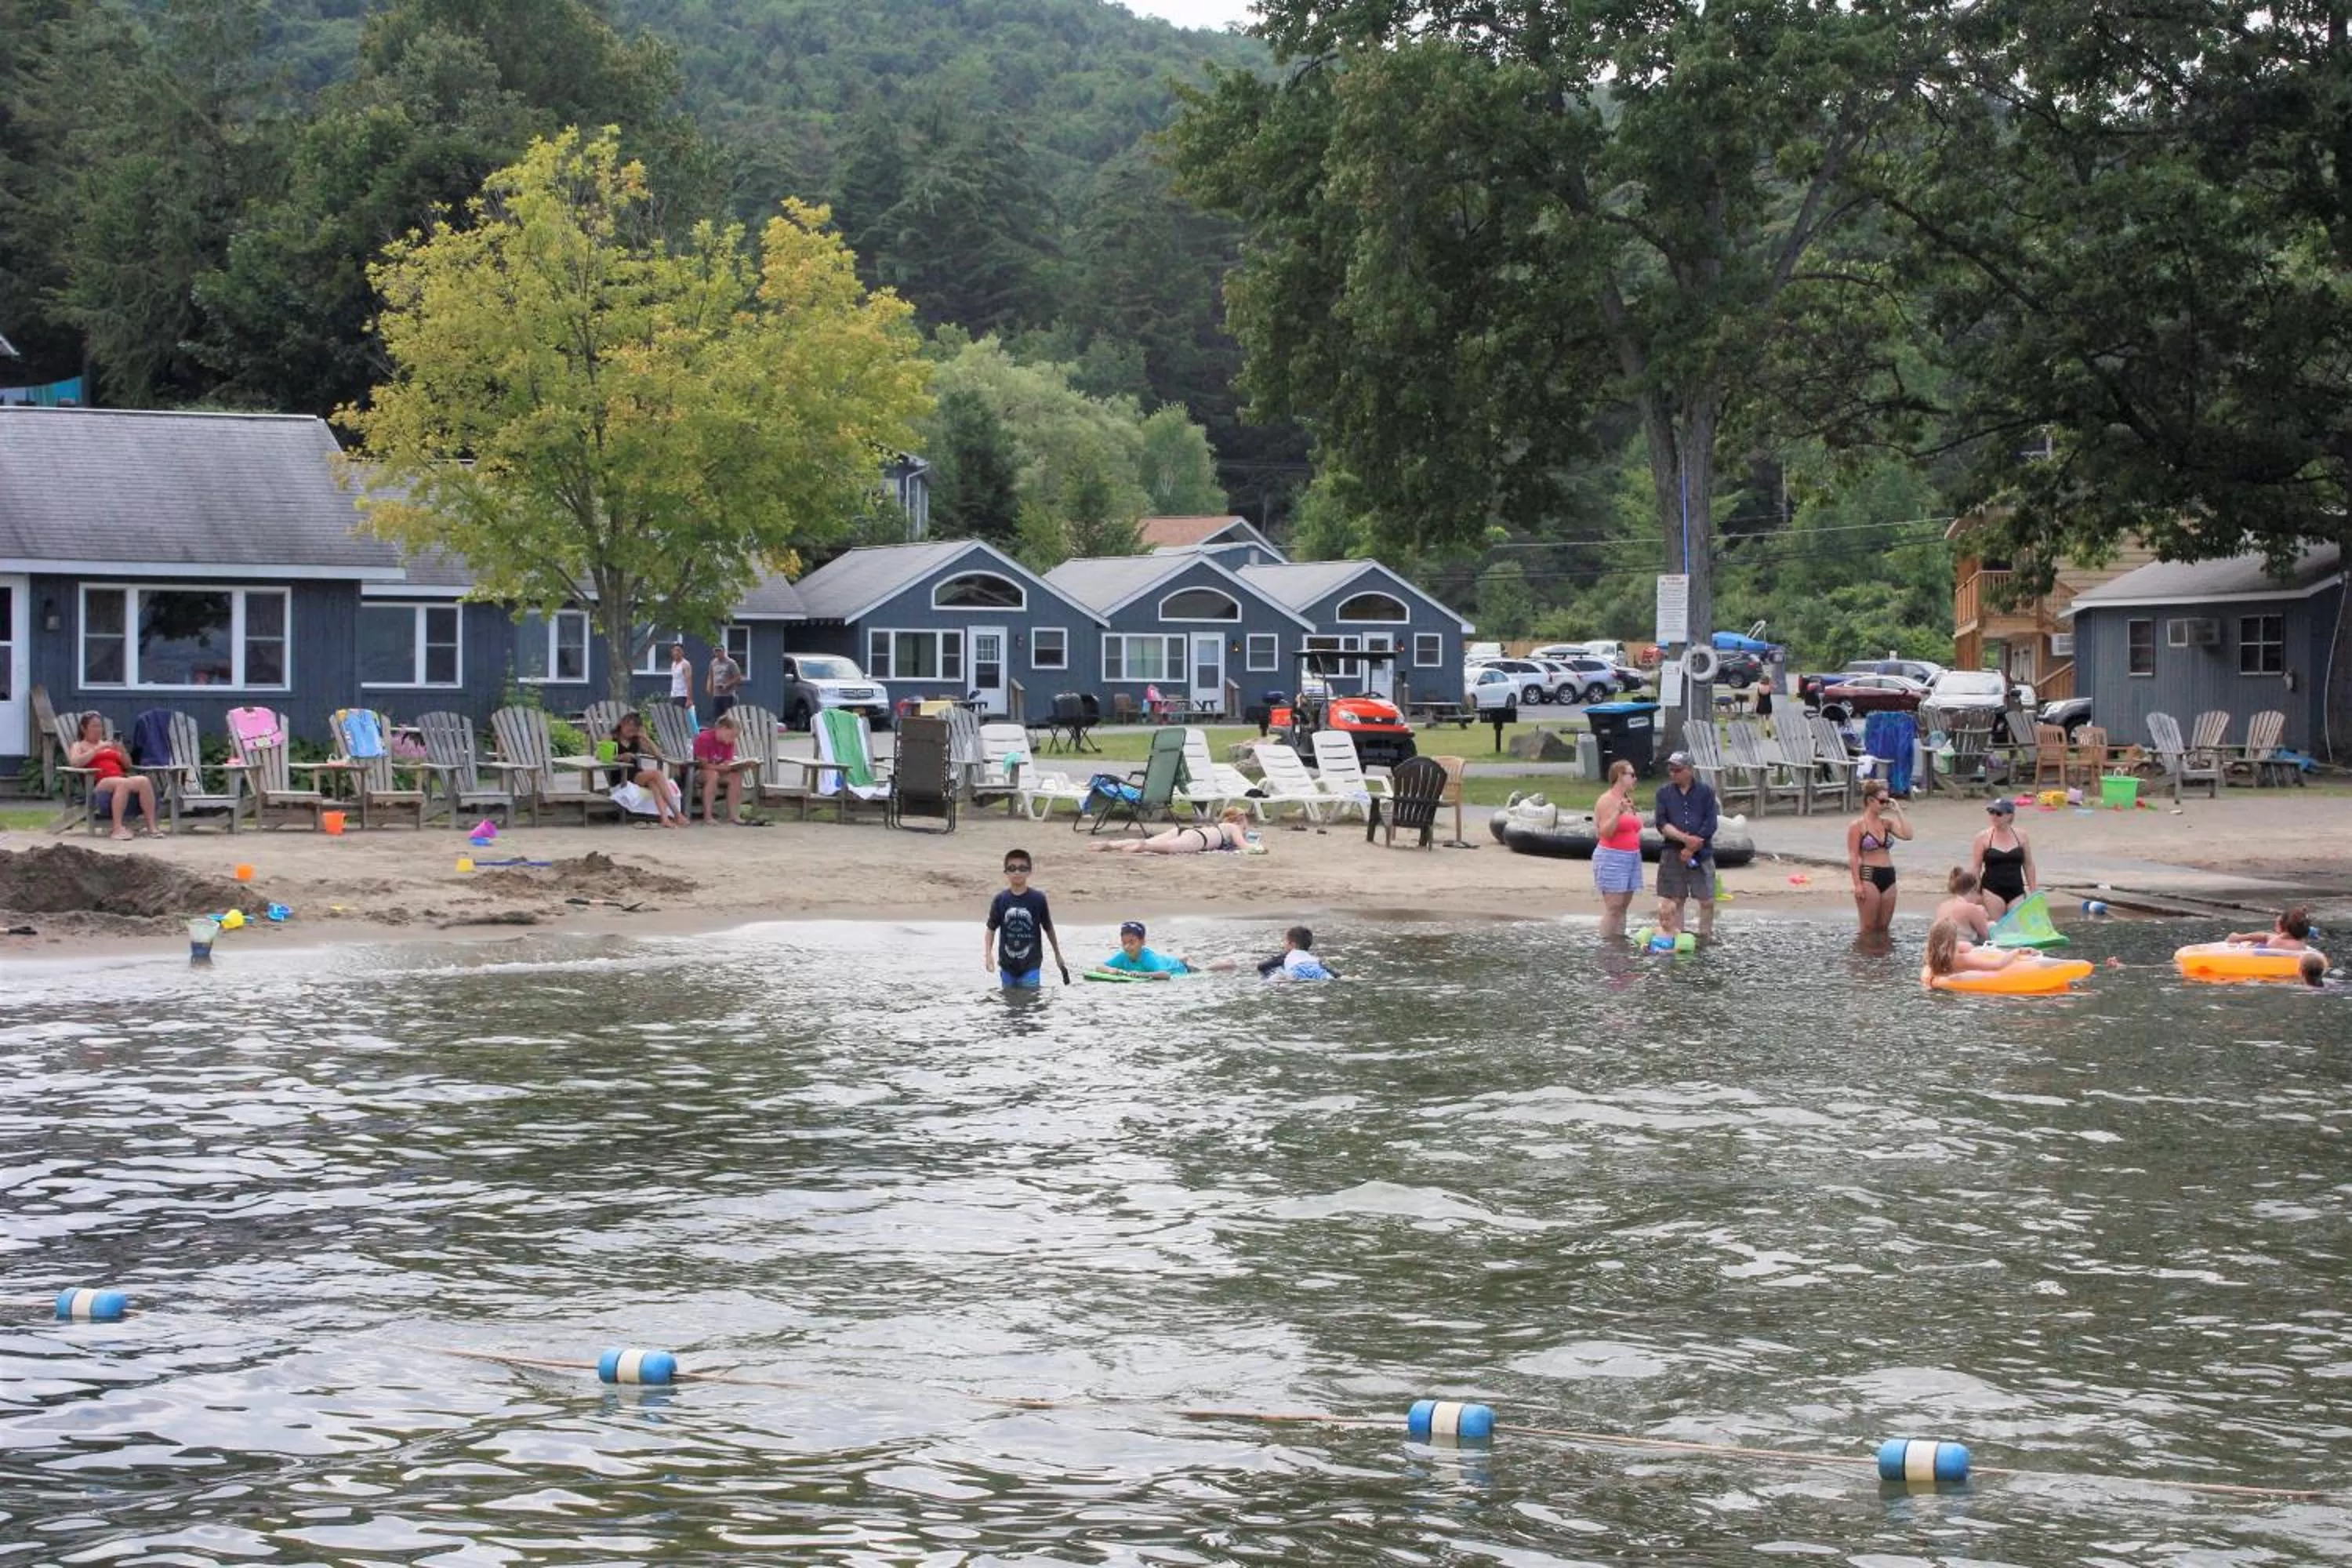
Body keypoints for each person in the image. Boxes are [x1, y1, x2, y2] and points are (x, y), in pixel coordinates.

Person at [1653, 750, 1719, 939]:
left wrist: (1693, 846)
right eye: (1671, 770)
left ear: (1689, 770)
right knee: (1676, 898)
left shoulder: (1706, 792)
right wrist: (1685, 839)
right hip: (1672, 849)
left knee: (1707, 899)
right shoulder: (1664, 793)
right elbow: (1662, 823)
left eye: (1677, 770)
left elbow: (1711, 822)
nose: (1673, 773)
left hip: (1701, 851)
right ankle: (1677, 936)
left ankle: (1705, 936)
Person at [985, 848, 1069, 989]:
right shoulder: (1000, 900)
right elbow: (991, 929)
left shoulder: (1038, 899)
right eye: (1012, 868)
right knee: (1009, 1002)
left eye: (1022, 868)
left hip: (1031, 964)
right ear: (1006, 872)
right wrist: (988, 955)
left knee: (1030, 1001)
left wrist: (1057, 954)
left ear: (1029, 871)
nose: (1017, 872)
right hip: (1007, 965)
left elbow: (1048, 927)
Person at [67, 715, 159, 840]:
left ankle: (152, 827)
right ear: (84, 729)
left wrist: (122, 751)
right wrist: (96, 749)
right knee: (123, 783)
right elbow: (75, 762)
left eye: (100, 726)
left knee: (144, 781)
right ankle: (117, 829)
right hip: (100, 782)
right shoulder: (79, 745)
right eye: (94, 726)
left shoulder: (108, 745)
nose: (98, 729)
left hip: (120, 778)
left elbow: (128, 765)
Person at [1848, 779, 1910, 935]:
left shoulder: (1886, 824)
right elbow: (1854, 856)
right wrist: (1857, 884)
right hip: (1869, 875)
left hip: (1889, 875)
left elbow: (1908, 835)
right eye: (1882, 801)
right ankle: (1864, 958)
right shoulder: (1857, 826)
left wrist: (1898, 811)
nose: (1885, 805)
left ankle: (1883, 958)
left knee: (1883, 928)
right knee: (1868, 928)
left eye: (1887, 801)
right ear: (1870, 801)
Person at [1592, 758, 1644, 940]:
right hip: (1612, 857)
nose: (1635, 779)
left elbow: (1634, 827)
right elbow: (1605, 832)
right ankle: (1606, 945)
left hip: (1631, 857)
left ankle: (1619, 942)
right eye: (1632, 775)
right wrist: (1618, 813)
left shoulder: (1628, 800)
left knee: (1623, 906)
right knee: (1614, 907)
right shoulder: (1607, 800)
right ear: (1620, 776)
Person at [608, 711, 686, 827]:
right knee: (657, 774)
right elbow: (599, 756)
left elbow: (659, 756)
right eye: (629, 728)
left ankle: (665, 819)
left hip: (636, 775)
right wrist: (619, 757)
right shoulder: (611, 737)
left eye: (634, 730)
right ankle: (677, 814)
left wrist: (646, 738)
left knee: (654, 782)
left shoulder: (636, 741)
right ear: (621, 724)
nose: (631, 732)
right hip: (620, 776)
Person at [1967, 798, 2038, 918]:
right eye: (1991, 812)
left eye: (1999, 813)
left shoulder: (2021, 836)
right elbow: (1976, 867)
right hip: (1992, 890)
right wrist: (1976, 893)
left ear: (2010, 815)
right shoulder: (1982, 838)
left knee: (2016, 929)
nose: (1994, 816)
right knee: (1996, 928)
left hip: (2016, 889)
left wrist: (2033, 890)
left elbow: (2028, 864)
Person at [1089, 806, 1253, 854]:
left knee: (1150, 840)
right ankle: (1143, 848)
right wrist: (1257, 848)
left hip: (1185, 830)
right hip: (1199, 840)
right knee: (1167, 848)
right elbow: (1244, 846)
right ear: (1241, 821)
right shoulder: (1233, 828)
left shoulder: (1222, 826)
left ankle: (1111, 845)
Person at [1921, 916, 2024, 987]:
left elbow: (1967, 946)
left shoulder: (1931, 958)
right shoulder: (1961, 959)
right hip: (1966, 984)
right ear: (1952, 940)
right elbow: (1997, 966)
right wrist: (2017, 951)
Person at [691, 713, 755, 825]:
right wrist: (722, 768)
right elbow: (703, 764)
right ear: (722, 729)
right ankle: (708, 816)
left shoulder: (728, 743)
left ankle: (734, 815)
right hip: (698, 772)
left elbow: (727, 761)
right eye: (731, 736)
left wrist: (737, 766)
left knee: (735, 776)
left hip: (719, 770)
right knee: (713, 775)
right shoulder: (704, 738)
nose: (732, 740)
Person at [1099, 920, 1194, 977]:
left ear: (1142, 942)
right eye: (1124, 943)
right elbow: (1100, 967)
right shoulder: (1123, 956)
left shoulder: (1148, 958)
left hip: (1177, 968)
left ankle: (1184, 961)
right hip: (1162, 961)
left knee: (1202, 971)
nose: (1127, 947)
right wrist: (1110, 970)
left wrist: (1142, 975)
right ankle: (1182, 959)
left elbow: (1166, 974)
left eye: (1132, 942)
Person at [1256, 924, 1336, 980]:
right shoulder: (1312, 958)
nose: (1284, 944)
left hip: (1297, 972)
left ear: (1292, 944)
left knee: (1271, 980)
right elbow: (1331, 972)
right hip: (1318, 972)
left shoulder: (1287, 956)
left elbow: (1262, 966)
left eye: (1286, 941)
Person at [1935, 868, 1993, 943]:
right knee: (1992, 925)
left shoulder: (1942, 905)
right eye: (1978, 893)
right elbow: (1987, 936)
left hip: (1943, 945)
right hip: (1964, 947)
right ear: (1973, 890)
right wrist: (1984, 916)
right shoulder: (1971, 908)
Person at [2224, 908, 2313, 950]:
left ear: (2282, 927)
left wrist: (2239, 938)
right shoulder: (2301, 943)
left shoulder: (2276, 941)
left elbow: (2266, 936)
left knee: (2252, 945)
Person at [706, 642, 743, 720]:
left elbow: (738, 678)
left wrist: (727, 685)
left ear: (724, 651)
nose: (718, 653)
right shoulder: (713, 663)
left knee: (728, 718)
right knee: (717, 718)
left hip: (728, 695)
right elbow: (710, 675)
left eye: (719, 651)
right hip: (717, 695)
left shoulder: (731, 663)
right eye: (716, 651)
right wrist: (709, 686)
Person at [667, 642, 696, 731]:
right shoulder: (673, 664)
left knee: (681, 719)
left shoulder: (685, 664)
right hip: (674, 694)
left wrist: (689, 699)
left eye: (678, 651)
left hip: (682, 695)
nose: (676, 653)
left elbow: (689, 682)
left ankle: (685, 738)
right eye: (674, 651)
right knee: (674, 719)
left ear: (682, 652)